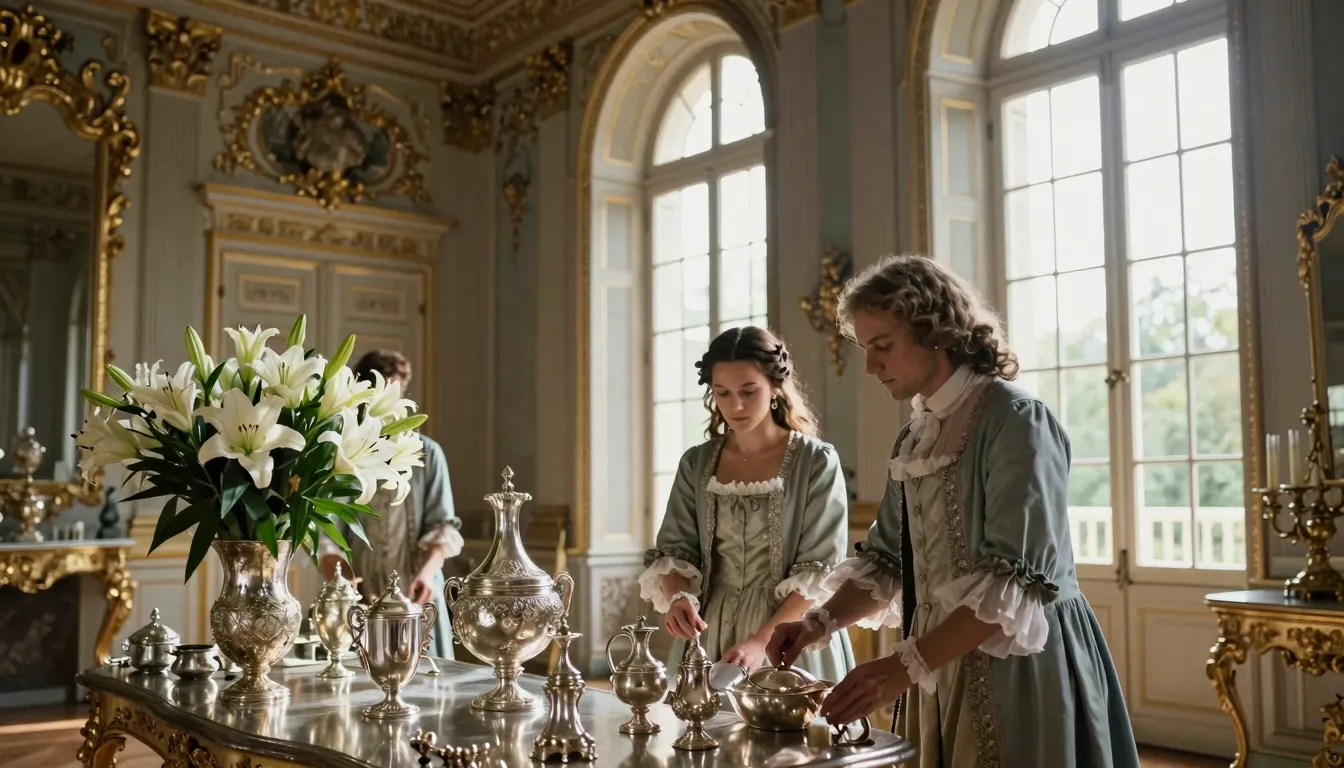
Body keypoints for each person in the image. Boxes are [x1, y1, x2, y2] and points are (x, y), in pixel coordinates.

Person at [767, 254, 1139, 767]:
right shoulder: (917, 435)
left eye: (883, 347)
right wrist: (819, 623)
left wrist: (903, 667)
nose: (872, 367)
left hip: (1020, 664)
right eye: (865, 350)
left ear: (934, 331)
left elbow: (1015, 580)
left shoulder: (1016, 420)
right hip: (937, 662)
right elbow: (888, 559)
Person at [639, 326, 855, 681]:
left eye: (748, 391)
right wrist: (680, 599)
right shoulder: (696, 464)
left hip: (792, 634)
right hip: (711, 633)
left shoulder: (815, 462)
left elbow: (819, 570)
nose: (735, 405)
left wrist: (761, 641)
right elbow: (675, 551)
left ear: (774, 388)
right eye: (722, 393)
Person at [319, 349, 461, 660]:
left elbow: (443, 527)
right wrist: (343, 580)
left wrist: (425, 575)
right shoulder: (344, 453)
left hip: (416, 592)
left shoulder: (428, 453)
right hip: (361, 590)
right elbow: (326, 533)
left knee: (427, 685)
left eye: (395, 392)